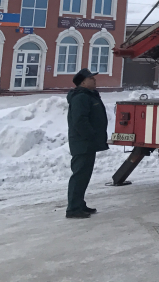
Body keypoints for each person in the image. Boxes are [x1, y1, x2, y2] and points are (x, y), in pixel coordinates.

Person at [66, 68, 109, 219]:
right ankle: (73, 208)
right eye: (91, 78)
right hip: (83, 143)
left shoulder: (88, 96)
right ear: (83, 82)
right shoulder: (81, 98)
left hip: (87, 143)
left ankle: (79, 203)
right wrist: (91, 136)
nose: (94, 80)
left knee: (84, 175)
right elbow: (80, 121)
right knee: (79, 175)